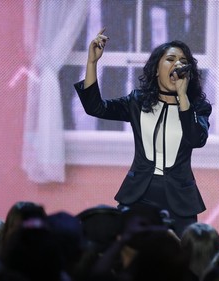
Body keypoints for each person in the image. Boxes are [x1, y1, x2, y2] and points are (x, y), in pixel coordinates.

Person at [74, 28, 212, 237]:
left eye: (182, 61)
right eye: (170, 59)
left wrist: (183, 97)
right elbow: (96, 108)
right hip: (140, 191)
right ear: (157, 69)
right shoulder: (137, 102)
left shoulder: (197, 107)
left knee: (181, 254)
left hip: (180, 197)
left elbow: (196, 139)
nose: (177, 65)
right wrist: (92, 63)